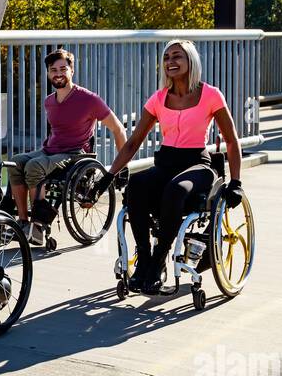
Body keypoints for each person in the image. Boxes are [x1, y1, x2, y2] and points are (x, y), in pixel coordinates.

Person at [102, 39, 244, 293]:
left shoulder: (210, 94)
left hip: (198, 164)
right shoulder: (158, 99)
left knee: (176, 189)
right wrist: (108, 175)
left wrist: (236, 182)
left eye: (177, 56)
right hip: (166, 160)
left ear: (191, 61)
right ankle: (144, 259)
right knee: (136, 184)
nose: (171, 62)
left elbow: (232, 140)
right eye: (166, 58)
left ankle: (158, 261)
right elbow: (134, 141)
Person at [6, 47, 127, 247]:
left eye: (63, 68)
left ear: (72, 70)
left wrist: (122, 167)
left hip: (75, 154)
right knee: (15, 163)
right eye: (53, 70)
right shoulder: (49, 102)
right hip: (51, 150)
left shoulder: (89, 99)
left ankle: (39, 224)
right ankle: (23, 222)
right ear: (48, 74)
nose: (58, 73)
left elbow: (118, 129)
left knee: (34, 167)